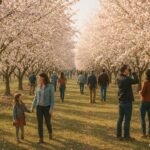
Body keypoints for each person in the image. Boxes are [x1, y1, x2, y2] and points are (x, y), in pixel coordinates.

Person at [116, 65, 139, 141]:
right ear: (124, 71)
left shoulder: (119, 78)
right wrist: (133, 72)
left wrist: (129, 72)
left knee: (120, 119)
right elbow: (136, 80)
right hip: (127, 102)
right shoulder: (127, 79)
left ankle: (118, 135)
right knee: (127, 120)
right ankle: (126, 136)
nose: (128, 70)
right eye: (127, 69)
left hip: (121, 101)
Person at [31, 73, 55, 144]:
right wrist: (32, 106)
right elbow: (35, 98)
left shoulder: (50, 86)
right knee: (39, 123)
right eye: (38, 78)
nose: (38, 79)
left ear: (43, 78)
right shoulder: (38, 87)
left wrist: (51, 108)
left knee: (47, 122)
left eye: (39, 78)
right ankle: (41, 138)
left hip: (47, 107)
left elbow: (52, 99)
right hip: (39, 107)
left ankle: (50, 132)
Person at [139, 69, 150, 138]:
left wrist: (139, 92)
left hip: (144, 102)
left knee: (143, 118)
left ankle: (144, 133)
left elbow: (143, 93)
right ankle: (149, 133)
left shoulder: (145, 82)